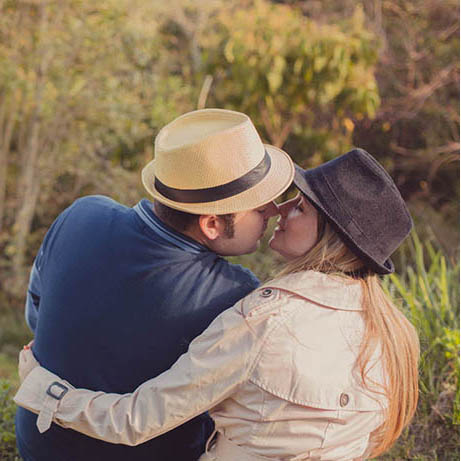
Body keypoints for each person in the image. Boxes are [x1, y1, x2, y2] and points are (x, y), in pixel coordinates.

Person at [15, 148, 420, 461]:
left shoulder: (259, 316)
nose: (278, 208)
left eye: (298, 207)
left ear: (329, 239)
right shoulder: (395, 333)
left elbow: (136, 420)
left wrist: (42, 389)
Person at [14, 108, 295, 461]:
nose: (273, 210)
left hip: (39, 445)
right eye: (257, 207)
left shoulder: (82, 213)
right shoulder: (233, 292)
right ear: (211, 225)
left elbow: (36, 317)